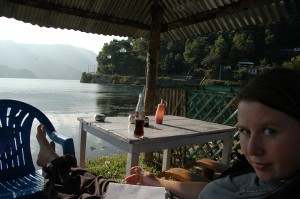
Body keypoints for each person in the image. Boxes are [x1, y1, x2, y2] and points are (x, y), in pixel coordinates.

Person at [37, 67, 300, 199]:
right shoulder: (266, 177)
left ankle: (51, 165)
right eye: (244, 131)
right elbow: (215, 190)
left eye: (269, 130)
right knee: (104, 186)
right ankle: (53, 163)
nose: (251, 148)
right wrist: (159, 183)